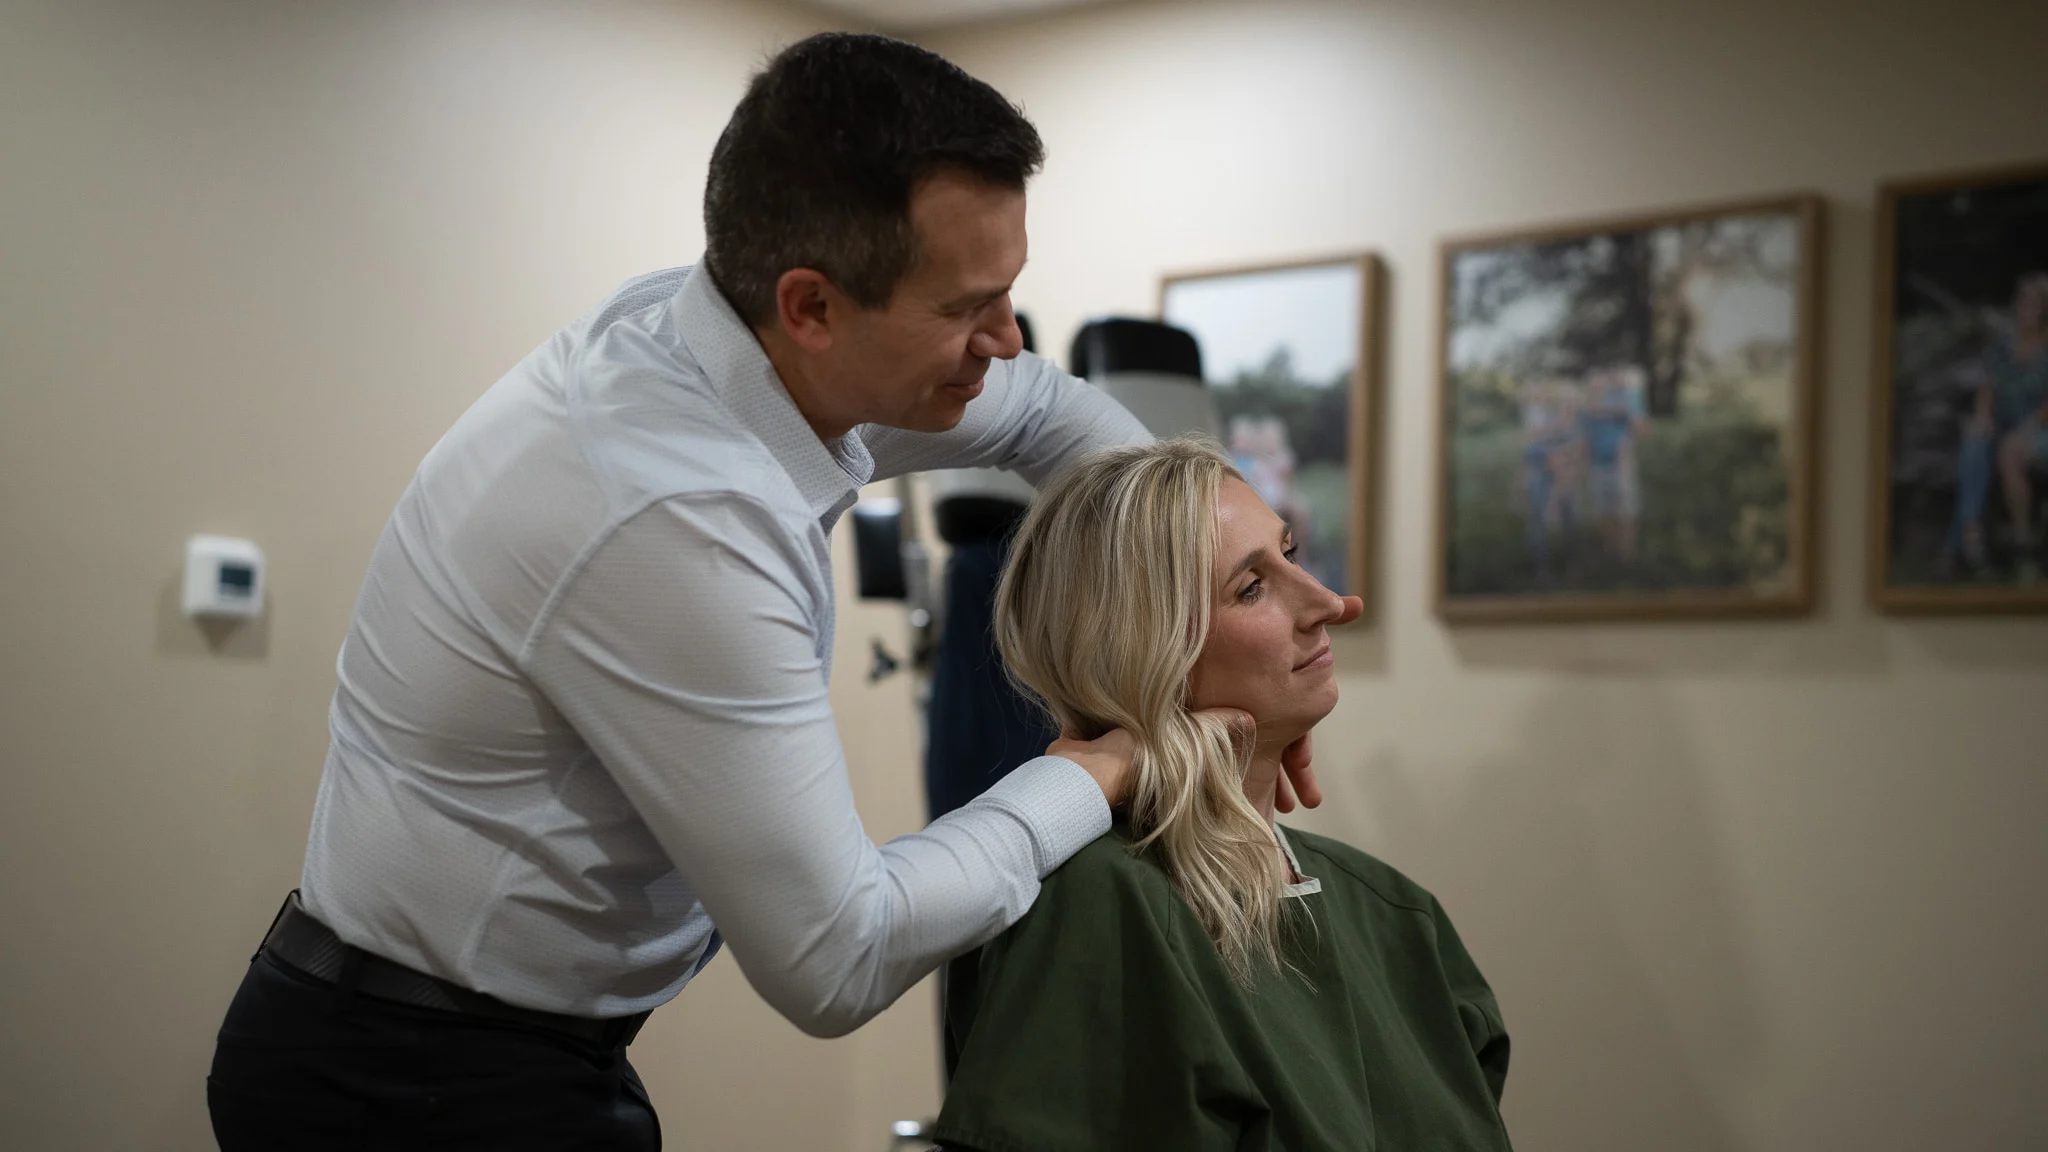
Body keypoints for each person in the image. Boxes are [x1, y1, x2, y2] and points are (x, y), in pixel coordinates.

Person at [205, 35, 1340, 1150]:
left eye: (1009, 296)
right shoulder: (672, 511)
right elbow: (837, 954)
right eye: (964, 310)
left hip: (519, 1047)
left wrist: (1202, 615)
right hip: (403, 1089)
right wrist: (1101, 764)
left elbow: (1046, 410)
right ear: (810, 307)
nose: (1001, 340)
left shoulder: (736, 340)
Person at [934, 440, 1512, 1152]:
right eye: (1252, 587)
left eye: (1291, 554)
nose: (1328, 603)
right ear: (1146, 652)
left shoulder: (1400, 917)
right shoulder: (1102, 909)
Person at [1946, 272, 2048, 578]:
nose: (2028, 309)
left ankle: (2008, 544)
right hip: (2002, 424)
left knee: (2008, 451)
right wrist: (1982, 416)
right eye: (2024, 302)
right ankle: (1972, 533)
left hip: (2038, 426)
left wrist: (2030, 428)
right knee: (1975, 446)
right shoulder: (2003, 347)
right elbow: (1987, 388)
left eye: (2036, 303)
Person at [1580, 364, 1651, 563]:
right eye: (1592, 386)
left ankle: (1628, 555)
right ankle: (1610, 554)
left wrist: (1629, 441)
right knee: (1604, 511)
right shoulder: (1586, 412)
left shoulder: (1626, 403)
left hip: (1621, 465)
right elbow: (1584, 440)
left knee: (1627, 510)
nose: (1597, 389)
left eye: (1601, 385)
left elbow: (1643, 429)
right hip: (1597, 466)